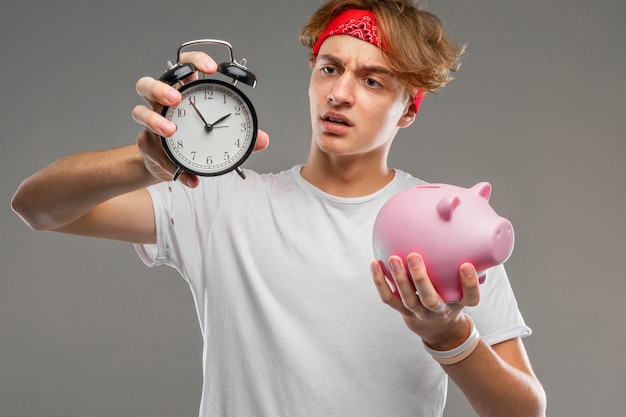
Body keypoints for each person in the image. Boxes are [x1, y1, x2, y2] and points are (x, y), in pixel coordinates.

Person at [12, 0, 546, 416]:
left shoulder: (446, 228)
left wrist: (447, 334)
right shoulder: (219, 199)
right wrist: (146, 162)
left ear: (408, 109)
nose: (339, 93)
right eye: (329, 68)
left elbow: (524, 411)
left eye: (372, 80)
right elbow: (35, 207)